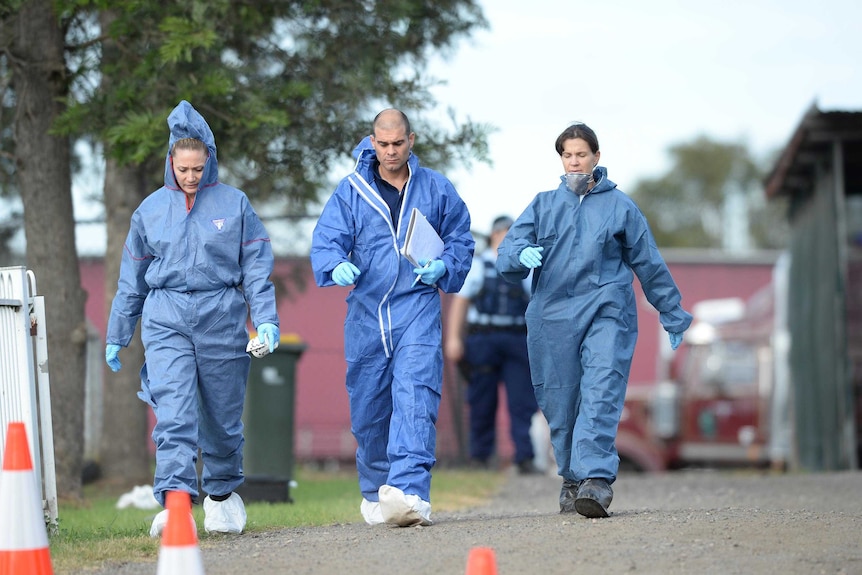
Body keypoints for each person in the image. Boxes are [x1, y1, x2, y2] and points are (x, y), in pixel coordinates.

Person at [496, 122, 692, 518]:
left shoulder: (620, 207)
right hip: (552, 316)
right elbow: (507, 253)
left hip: (607, 310)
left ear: (596, 157)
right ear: (561, 159)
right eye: (567, 155)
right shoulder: (542, 204)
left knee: (601, 390)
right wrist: (519, 256)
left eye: (581, 154)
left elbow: (648, 263)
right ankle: (573, 479)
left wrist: (672, 312)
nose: (574, 161)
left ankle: (597, 481)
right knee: (560, 398)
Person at [104, 100, 280, 537]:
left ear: (209, 161)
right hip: (166, 318)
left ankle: (220, 495)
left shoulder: (234, 204)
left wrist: (266, 320)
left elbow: (256, 267)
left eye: (198, 168)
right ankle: (177, 500)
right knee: (175, 413)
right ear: (171, 162)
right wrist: (118, 332)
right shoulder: (149, 210)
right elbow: (133, 278)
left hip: (221, 316)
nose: (190, 177)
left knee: (221, 417)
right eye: (183, 169)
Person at [310, 109, 474, 527]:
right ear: (372, 141)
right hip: (367, 315)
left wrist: (446, 266)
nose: (389, 151)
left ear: (411, 140)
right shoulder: (351, 191)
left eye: (397, 143)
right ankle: (376, 489)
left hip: (417, 308)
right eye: (382, 144)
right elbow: (327, 240)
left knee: (415, 397)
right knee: (369, 410)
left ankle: (410, 493)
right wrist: (334, 264)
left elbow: (460, 238)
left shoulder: (435, 188)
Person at [445, 215, 540, 474]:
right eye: (504, 233)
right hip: (483, 339)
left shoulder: (526, 267)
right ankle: (480, 457)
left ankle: (524, 457)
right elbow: (461, 303)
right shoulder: (479, 265)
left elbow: (537, 303)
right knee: (481, 400)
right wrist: (454, 339)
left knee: (522, 402)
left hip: (517, 337)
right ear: (494, 235)